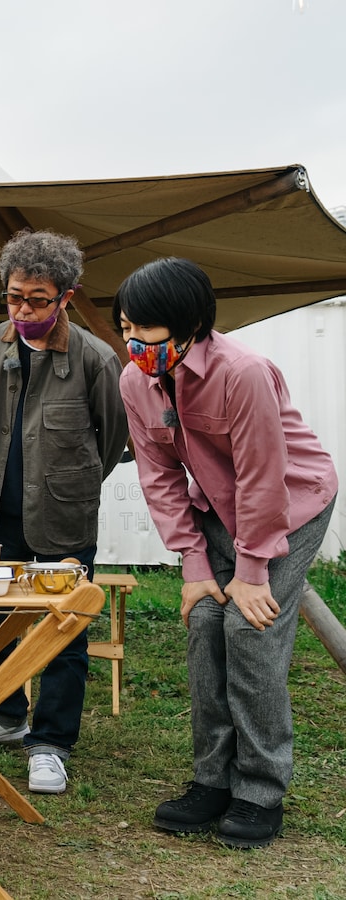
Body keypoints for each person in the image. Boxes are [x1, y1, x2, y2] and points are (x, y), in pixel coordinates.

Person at [114, 257, 337, 849]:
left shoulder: (244, 373)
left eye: (147, 330)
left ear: (189, 327)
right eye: (126, 327)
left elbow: (265, 478)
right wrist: (192, 565)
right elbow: (158, 476)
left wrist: (253, 571)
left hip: (292, 502)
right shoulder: (135, 381)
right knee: (207, 618)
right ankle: (212, 780)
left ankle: (260, 790)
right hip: (217, 505)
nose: (134, 342)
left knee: (248, 627)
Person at [0, 229, 128, 794]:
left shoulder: (97, 358)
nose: (24, 309)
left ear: (66, 297)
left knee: (65, 628)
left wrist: (67, 482)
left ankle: (52, 742)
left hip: (64, 515)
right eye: (14, 297)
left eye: (38, 298)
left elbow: (111, 439)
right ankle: (6, 715)